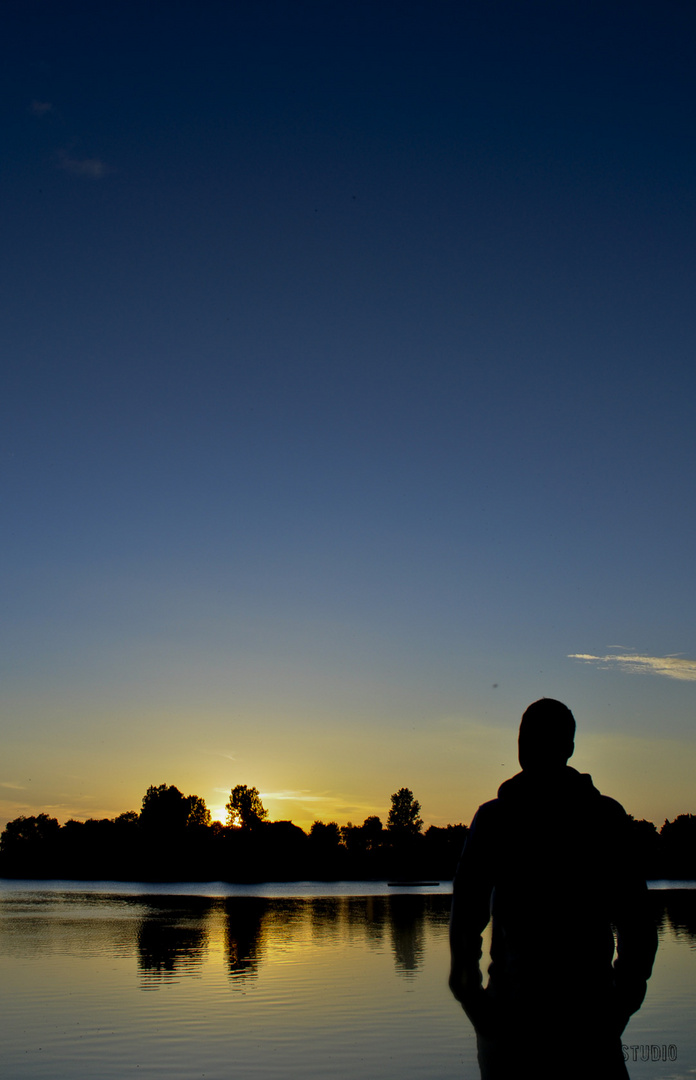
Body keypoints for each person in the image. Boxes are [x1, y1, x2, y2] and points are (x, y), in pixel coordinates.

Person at [449, 698, 658, 1080]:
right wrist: (621, 1004)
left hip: (535, 1025)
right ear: (570, 748)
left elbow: (465, 924)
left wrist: (478, 1007)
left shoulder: (497, 819)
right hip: (579, 1023)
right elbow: (638, 927)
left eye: (527, 737)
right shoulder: (604, 817)